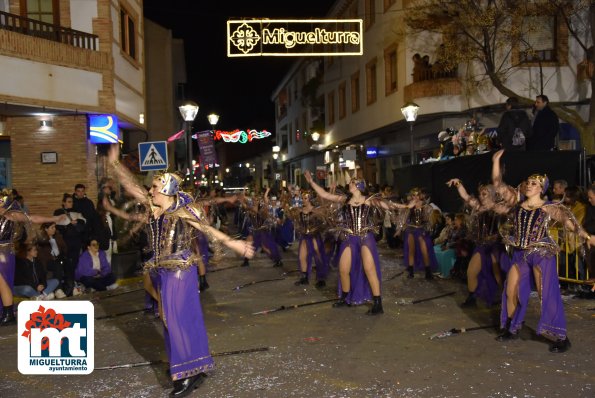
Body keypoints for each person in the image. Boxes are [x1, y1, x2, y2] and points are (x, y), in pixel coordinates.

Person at [106, 144, 254, 397]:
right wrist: (116, 165)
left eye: (154, 187)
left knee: (174, 320)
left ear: (166, 190)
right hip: (162, 270)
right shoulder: (154, 208)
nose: (150, 190)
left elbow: (207, 229)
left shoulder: (181, 211)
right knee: (171, 319)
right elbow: (132, 188)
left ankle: (187, 374)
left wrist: (235, 244)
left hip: (179, 270)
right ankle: (192, 365)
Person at [491, 150, 595, 353]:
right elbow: (497, 184)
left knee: (544, 292)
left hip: (540, 253)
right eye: (528, 182)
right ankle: (512, 329)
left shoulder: (549, 207)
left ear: (542, 188)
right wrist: (495, 161)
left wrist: (587, 237)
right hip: (520, 252)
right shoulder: (518, 205)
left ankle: (561, 337)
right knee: (510, 289)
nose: (529, 185)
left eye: (534, 183)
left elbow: (569, 222)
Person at [304, 170, 410, 314]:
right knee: (343, 269)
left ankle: (377, 303)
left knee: (369, 269)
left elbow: (389, 205)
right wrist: (311, 182)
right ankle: (345, 298)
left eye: (352, 183)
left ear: (359, 185)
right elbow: (325, 194)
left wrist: (406, 207)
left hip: (365, 237)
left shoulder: (369, 200)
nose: (349, 184)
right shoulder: (345, 200)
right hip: (349, 238)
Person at [1, 197, 65, 325]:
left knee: (3, 283)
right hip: (5, 254)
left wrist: (54, 219)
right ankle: (7, 313)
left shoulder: (10, 214)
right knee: (2, 283)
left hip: (4, 254)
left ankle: (8, 314)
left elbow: (33, 218)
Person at [447, 179, 507, 307]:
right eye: (480, 194)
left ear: (492, 194)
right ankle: (472, 298)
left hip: (495, 246)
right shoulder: (478, 206)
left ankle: (506, 297)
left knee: (497, 273)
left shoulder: (499, 208)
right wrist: (458, 184)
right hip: (481, 245)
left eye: (484, 194)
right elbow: (465, 196)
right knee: (471, 271)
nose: (481, 196)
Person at [285, 191, 329, 287]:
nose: (303, 200)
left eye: (305, 198)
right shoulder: (300, 210)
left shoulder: (316, 210)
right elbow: (293, 219)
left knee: (318, 257)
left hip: (314, 237)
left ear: (310, 199)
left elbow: (324, 220)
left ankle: (321, 279)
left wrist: (317, 228)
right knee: (302, 257)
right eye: (302, 198)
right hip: (304, 237)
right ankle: (304, 278)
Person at [403, 188, 439, 279]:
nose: (415, 197)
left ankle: (428, 271)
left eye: (417, 195)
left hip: (421, 230)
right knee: (411, 250)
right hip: (411, 229)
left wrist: (426, 228)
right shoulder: (410, 205)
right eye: (414, 195)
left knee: (424, 250)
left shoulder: (425, 206)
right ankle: (411, 271)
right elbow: (405, 217)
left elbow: (429, 219)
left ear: (420, 196)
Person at [54, 193, 86, 296]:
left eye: (72, 201)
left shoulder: (76, 212)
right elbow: (58, 227)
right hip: (65, 244)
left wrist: (77, 223)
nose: (70, 203)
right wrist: (68, 225)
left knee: (74, 264)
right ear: (63, 203)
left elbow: (83, 225)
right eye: (68, 201)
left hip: (76, 243)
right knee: (67, 265)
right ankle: (68, 288)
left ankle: (73, 287)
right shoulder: (59, 212)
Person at [36, 222, 68, 298]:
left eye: (55, 227)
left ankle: (70, 288)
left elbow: (64, 248)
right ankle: (58, 289)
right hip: (46, 261)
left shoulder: (57, 237)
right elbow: (42, 255)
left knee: (68, 264)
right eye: (52, 228)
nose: (54, 229)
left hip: (58, 258)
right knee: (57, 265)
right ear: (46, 229)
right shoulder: (42, 239)